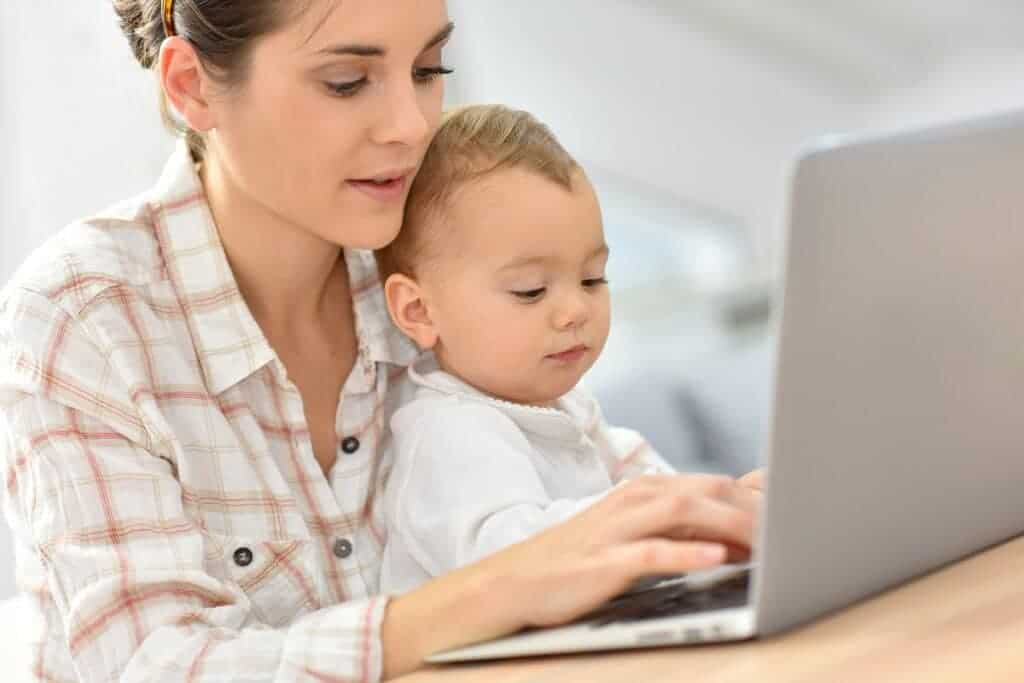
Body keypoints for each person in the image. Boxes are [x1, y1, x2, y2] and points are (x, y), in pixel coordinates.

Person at [0, 1, 762, 681]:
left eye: (429, 69)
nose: (411, 125)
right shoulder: (83, 320)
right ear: (192, 84)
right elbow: (154, 664)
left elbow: (586, 452)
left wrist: (720, 511)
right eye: (346, 82)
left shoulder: (437, 250)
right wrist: (493, 589)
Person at [376, 104, 680, 594]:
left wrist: (722, 503)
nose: (574, 311)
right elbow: (512, 560)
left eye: (592, 278)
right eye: (531, 290)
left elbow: (653, 483)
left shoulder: (569, 409)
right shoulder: (447, 433)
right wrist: (655, 516)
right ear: (419, 311)